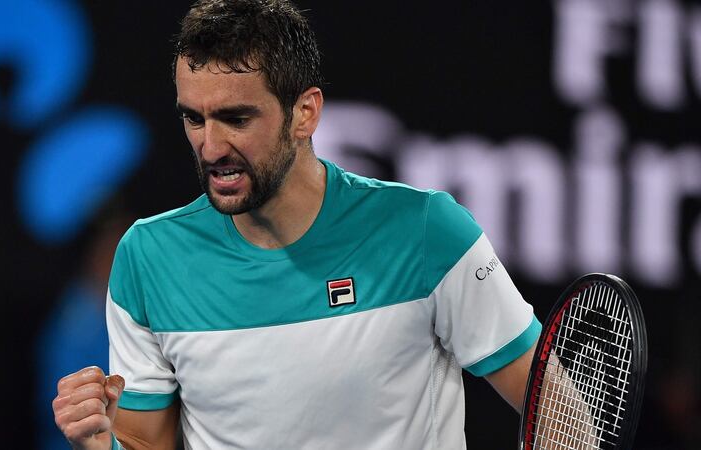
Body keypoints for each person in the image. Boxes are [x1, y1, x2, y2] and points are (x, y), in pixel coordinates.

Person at [52, 1, 541, 448]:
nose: (211, 147)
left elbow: (560, 419)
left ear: (305, 113)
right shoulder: (148, 258)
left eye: (236, 119)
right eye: (194, 119)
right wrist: (102, 445)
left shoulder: (426, 231)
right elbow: (144, 442)